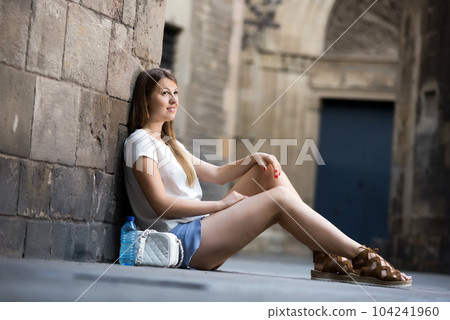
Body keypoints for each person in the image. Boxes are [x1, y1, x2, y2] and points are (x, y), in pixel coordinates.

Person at [124, 68, 412, 287]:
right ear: (146, 98)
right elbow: (161, 204)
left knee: (266, 172)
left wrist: (254, 158)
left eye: (176, 93)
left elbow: (215, 173)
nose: (174, 100)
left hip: (201, 233)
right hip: (180, 242)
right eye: (164, 93)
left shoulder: (168, 143)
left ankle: (325, 255)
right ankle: (361, 256)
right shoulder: (140, 143)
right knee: (280, 200)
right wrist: (219, 206)